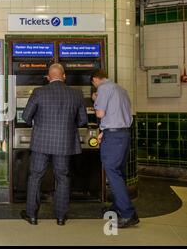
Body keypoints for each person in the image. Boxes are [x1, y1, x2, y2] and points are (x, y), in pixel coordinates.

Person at [21, 63, 87, 226]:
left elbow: (26, 116)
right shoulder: (76, 94)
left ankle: (32, 215)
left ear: (48, 77)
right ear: (64, 76)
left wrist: (38, 123)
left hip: (41, 143)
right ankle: (61, 217)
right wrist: (68, 127)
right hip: (64, 143)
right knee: (62, 178)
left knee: (36, 176)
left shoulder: (39, 92)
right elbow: (83, 120)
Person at [91, 69, 139, 228]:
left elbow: (100, 113)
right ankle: (118, 207)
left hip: (113, 136)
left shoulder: (103, 88)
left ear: (95, 80)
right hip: (124, 134)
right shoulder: (121, 89)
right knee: (119, 172)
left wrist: (95, 100)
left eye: (93, 84)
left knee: (112, 171)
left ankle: (128, 213)